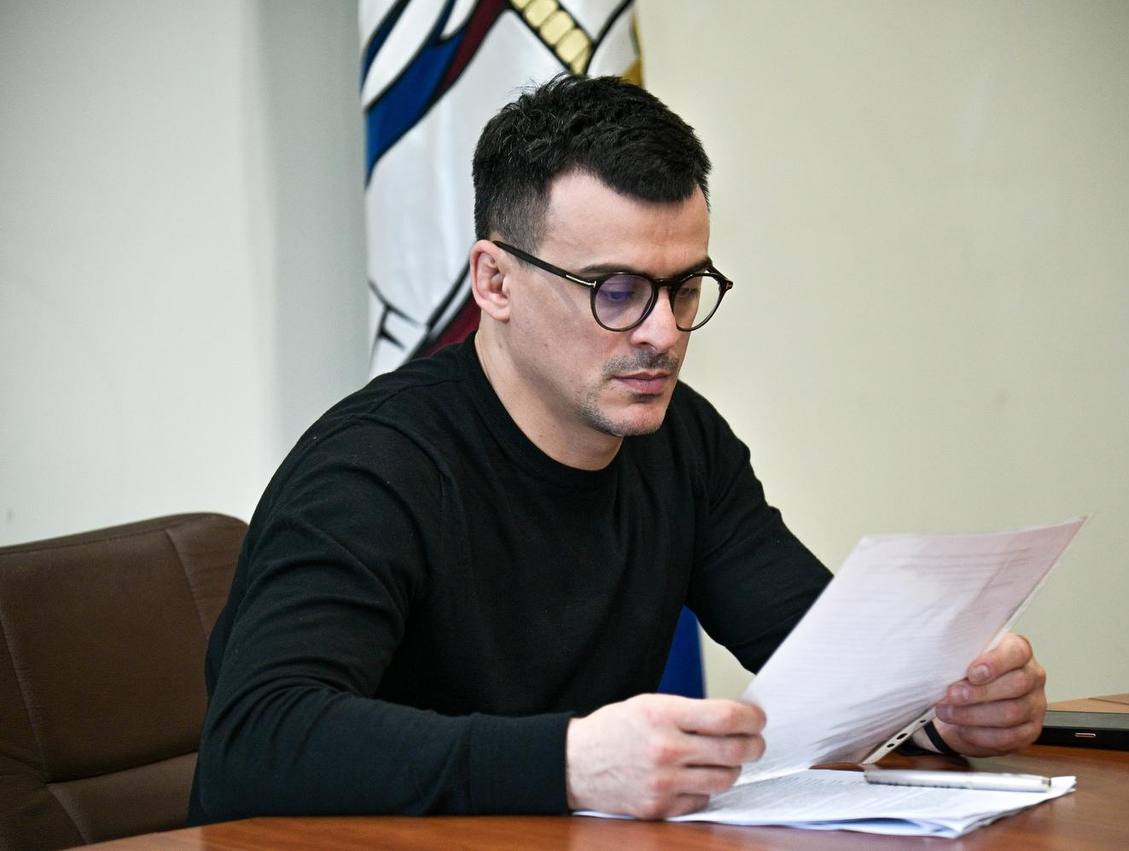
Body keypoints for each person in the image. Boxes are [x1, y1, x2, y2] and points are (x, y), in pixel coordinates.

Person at [189, 75, 1047, 824]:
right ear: (494, 281)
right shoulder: (370, 469)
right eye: (616, 290)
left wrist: (944, 706)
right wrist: (570, 761)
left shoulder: (680, 441)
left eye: (684, 287)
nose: (662, 333)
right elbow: (256, 741)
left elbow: (824, 660)